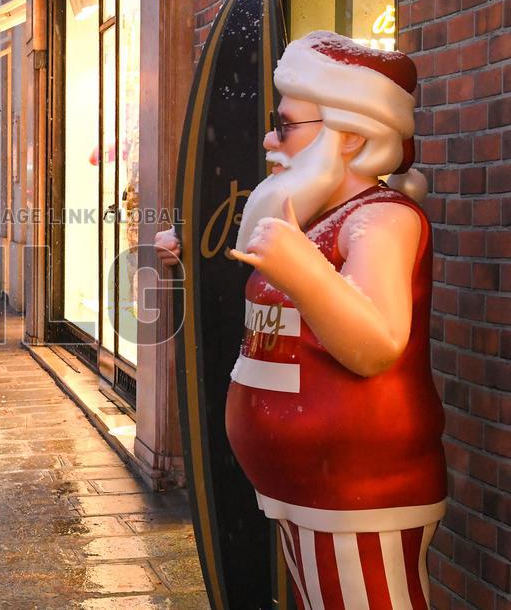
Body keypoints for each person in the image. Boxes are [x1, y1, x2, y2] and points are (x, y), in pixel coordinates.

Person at [156, 31, 443, 607]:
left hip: (359, 491)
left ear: (352, 134)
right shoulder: (316, 222)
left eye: (287, 125)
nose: (270, 138)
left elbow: (378, 341)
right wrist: (199, 258)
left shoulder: (381, 220)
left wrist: (300, 268)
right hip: (308, 489)